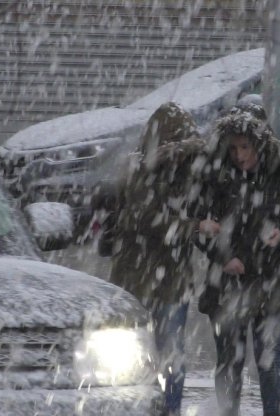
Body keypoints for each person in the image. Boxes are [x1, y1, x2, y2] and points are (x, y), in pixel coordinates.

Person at [197, 103, 280, 416]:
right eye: (233, 148)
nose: (239, 155)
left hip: (274, 282)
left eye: (245, 147)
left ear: (259, 144)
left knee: (270, 365)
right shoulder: (217, 176)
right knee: (229, 365)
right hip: (228, 285)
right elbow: (200, 226)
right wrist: (223, 257)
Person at [104, 101, 214, 416]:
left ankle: (169, 410)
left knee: (171, 353)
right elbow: (147, 219)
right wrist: (194, 226)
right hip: (139, 281)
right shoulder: (141, 172)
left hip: (169, 282)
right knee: (140, 354)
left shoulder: (189, 171)